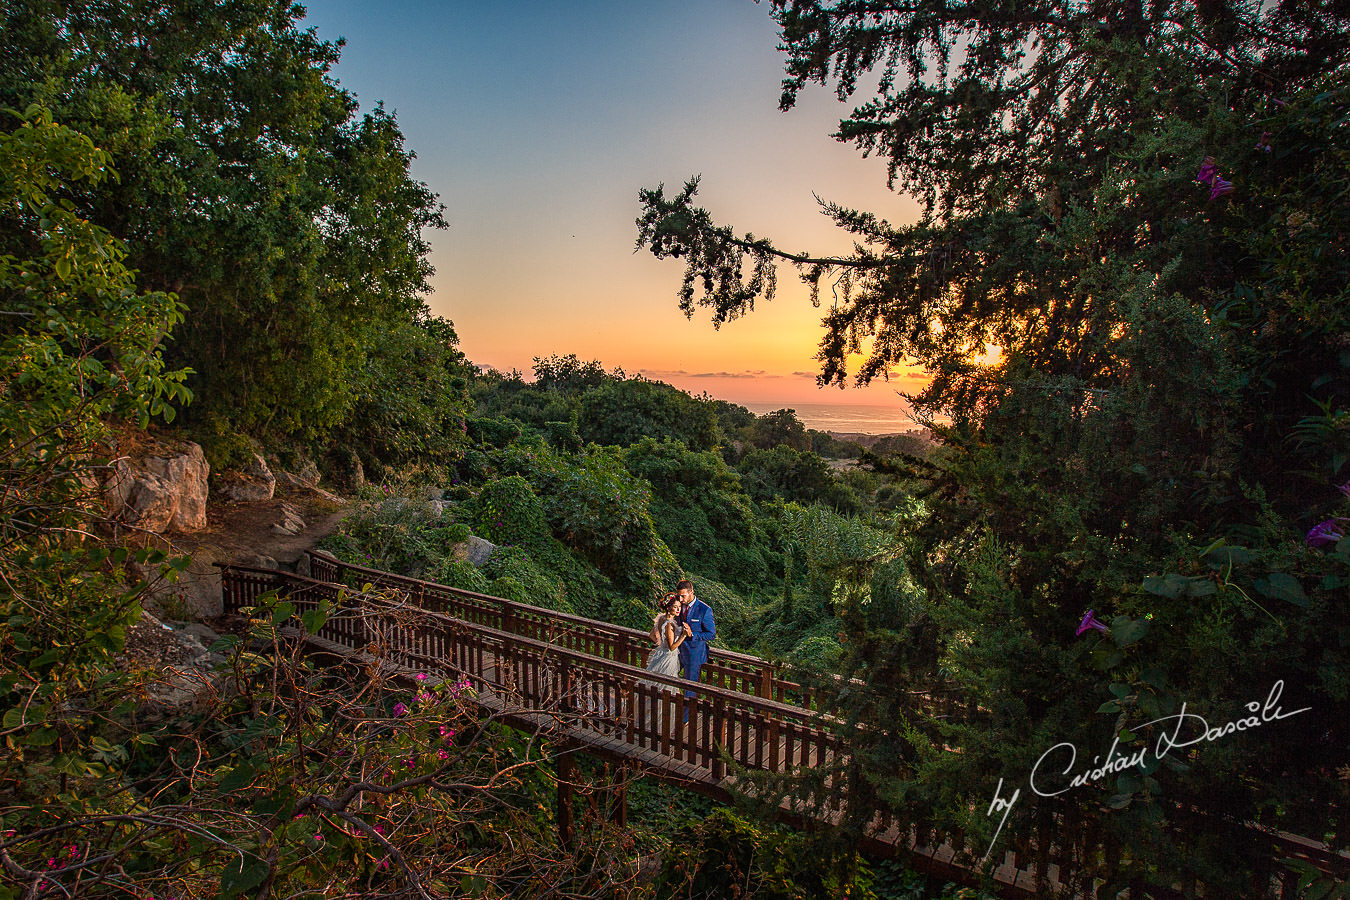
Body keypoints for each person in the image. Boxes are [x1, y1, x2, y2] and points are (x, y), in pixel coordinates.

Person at [675, 579, 714, 719]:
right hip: (677, 650)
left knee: (689, 688)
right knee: (666, 677)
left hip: (694, 653)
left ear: (691, 592)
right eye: (679, 595)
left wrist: (693, 634)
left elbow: (711, 634)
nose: (680, 599)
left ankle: (684, 719)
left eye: (683, 596)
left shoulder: (704, 609)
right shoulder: (678, 604)